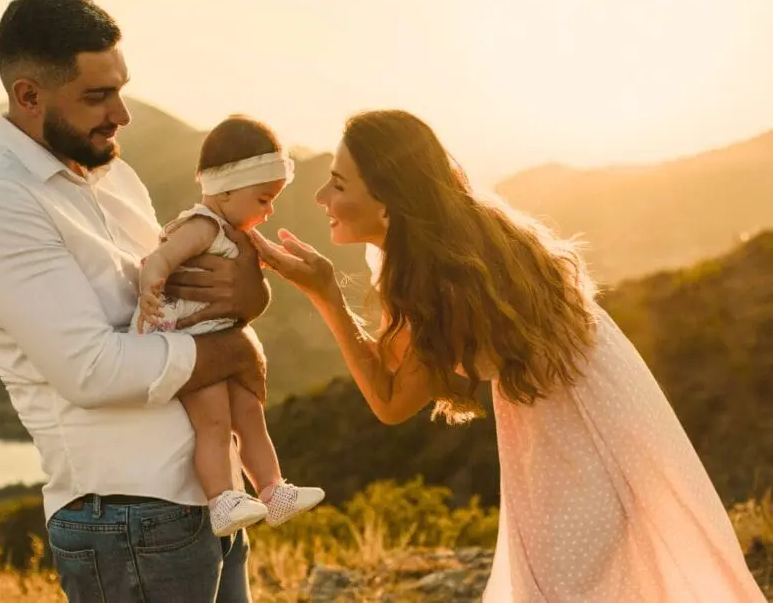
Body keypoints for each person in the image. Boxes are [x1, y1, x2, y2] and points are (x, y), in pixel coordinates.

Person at [250, 109, 766, 602]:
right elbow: (393, 370)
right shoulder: (441, 244)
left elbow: (390, 401)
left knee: (568, 584)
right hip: (574, 420)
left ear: (388, 204)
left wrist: (325, 296)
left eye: (338, 184)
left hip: (578, 437)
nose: (320, 195)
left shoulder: (439, 279)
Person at [0, 0, 265, 602]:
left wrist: (249, 301)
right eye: (97, 95)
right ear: (27, 95)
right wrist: (238, 351)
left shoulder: (114, 174)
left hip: (206, 498)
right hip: (127, 516)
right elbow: (91, 371)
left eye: (120, 88)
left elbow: (183, 306)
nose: (122, 114)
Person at [132, 115, 325, 537]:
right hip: (193, 344)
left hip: (222, 343)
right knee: (215, 421)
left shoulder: (235, 231)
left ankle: (273, 490)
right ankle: (222, 498)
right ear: (227, 189)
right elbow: (161, 259)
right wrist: (150, 287)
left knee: (251, 415)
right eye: (263, 198)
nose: (269, 209)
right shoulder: (201, 226)